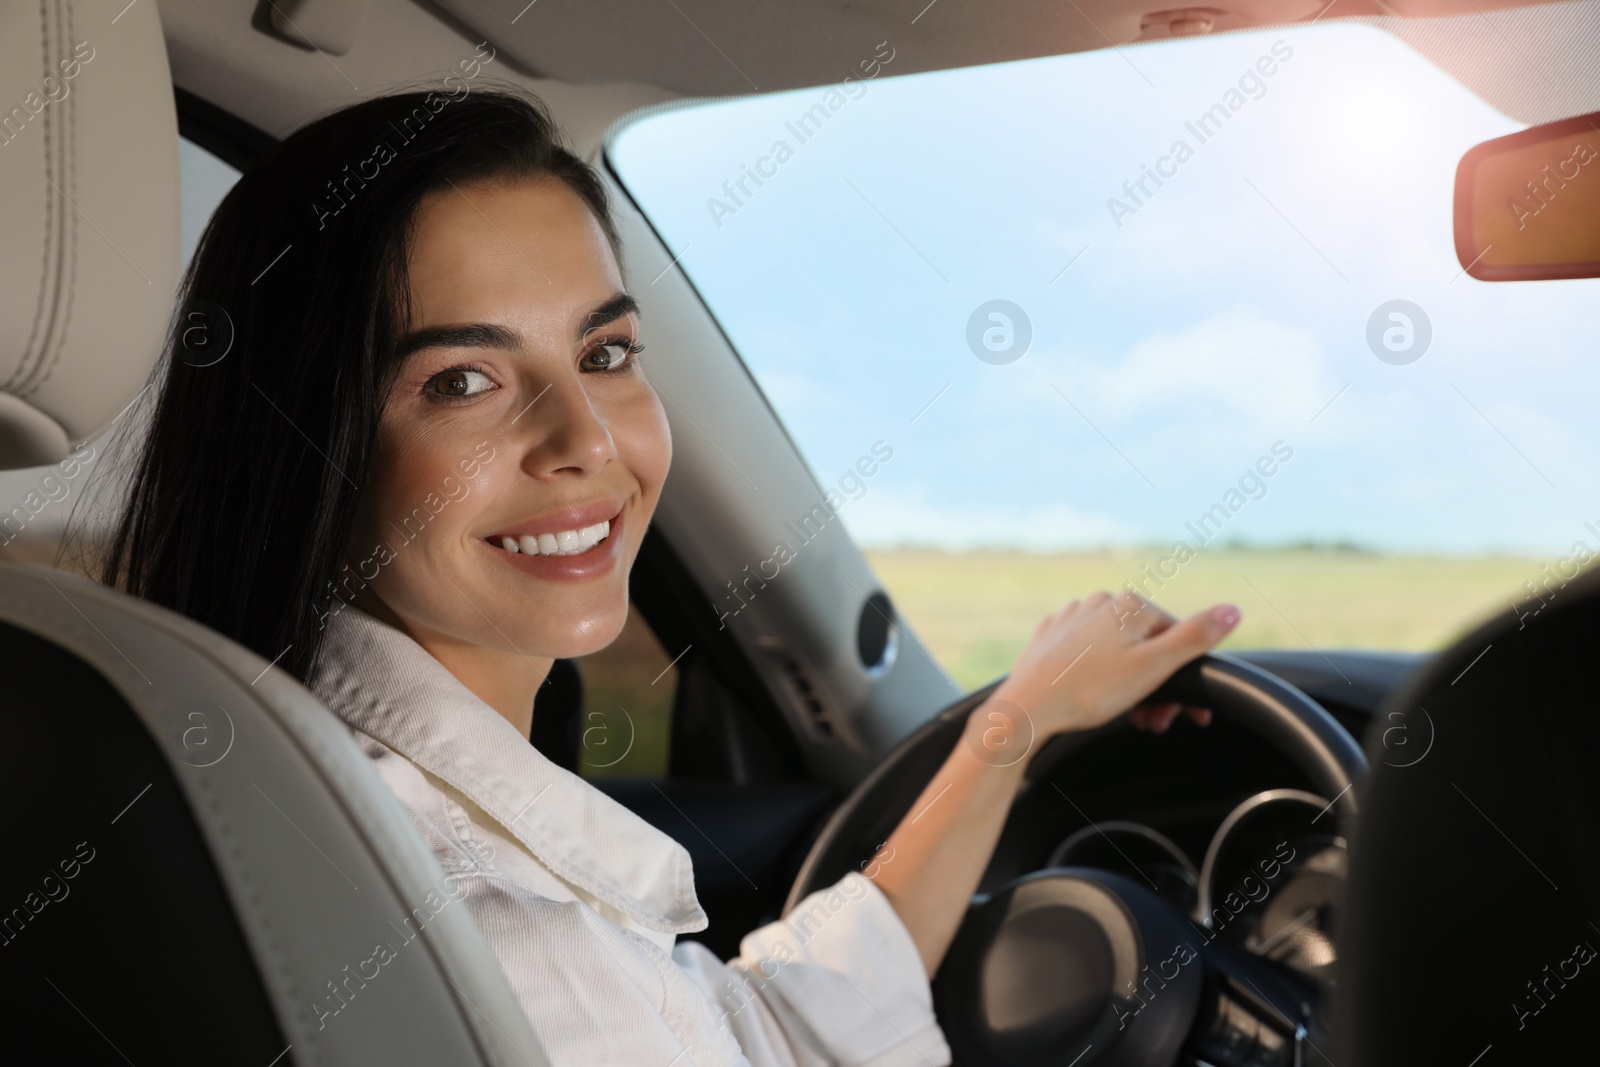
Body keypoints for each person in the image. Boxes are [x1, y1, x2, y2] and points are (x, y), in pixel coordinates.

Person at [98, 86, 1239, 1066]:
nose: (584, 438)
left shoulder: (254, 777)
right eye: (462, 381)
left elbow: (747, 1030)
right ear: (307, 439)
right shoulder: (500, 940)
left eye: (603, 355)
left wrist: (1011, 726)